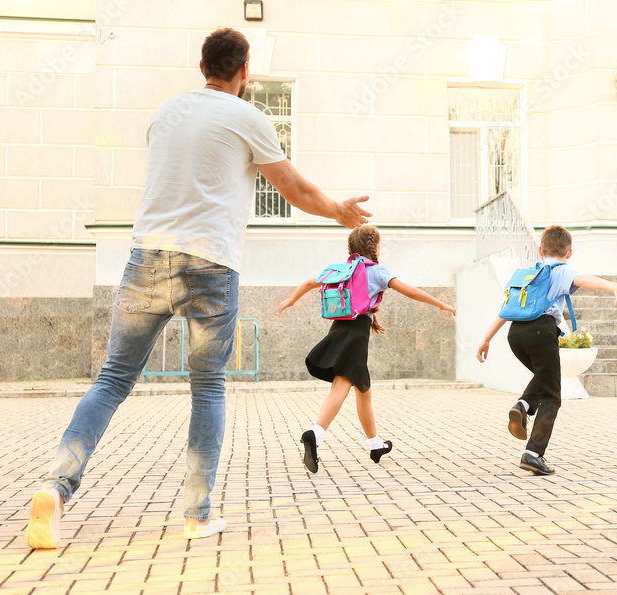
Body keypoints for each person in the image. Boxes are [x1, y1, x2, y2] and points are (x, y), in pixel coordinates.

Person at [25, 28, 372, 548]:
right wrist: (339, 211)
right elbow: (295, 189)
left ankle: (57, 486)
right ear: (244, 72)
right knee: (206, 387)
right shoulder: (248, 116)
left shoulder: (166, 114)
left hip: (147, 257)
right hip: (212, 263)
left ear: (203, 66)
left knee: (114, 378)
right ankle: (197, 515)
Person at [277, 225, 456, 473]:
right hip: (356, 336)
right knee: (342, 384)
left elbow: (309, 282)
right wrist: (442, 304)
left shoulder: (341, 270)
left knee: (364, 391)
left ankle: (375, 445)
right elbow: (411, 291)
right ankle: (315, 434)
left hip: (339, 330)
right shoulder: (377, 271)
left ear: (350, 249)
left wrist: (290, 300)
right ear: (375, 248)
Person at [476, 225, 617, 476]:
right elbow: (584, 280)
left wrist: (486, 339)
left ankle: (524, 405)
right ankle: (533, 453)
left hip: (515, 335)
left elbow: (504, 309)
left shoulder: (530, 273)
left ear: (540, 250)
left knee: (545, 377)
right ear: (569, 253)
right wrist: (614, 286)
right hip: (540, 332)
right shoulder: (562, 270)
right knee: (552, 395)